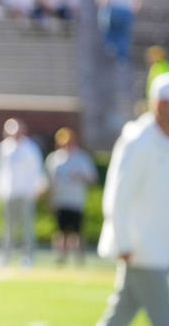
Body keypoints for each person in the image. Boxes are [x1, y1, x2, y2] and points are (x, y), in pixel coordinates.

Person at [96, 73, 169, 326]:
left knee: (120, 315)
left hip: (156, 246)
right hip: (141, 249)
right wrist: (124, 243)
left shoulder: (162, 140)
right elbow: (120, 195)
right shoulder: (139, 140)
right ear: (160, 105)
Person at [0, 118, 46, 266]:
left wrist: (36, 189)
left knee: (27, 227)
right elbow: (0, 170)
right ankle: (4, 256)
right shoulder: (3, 147)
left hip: (26, 192)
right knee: (7, 227)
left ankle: (28, 257)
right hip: (8, 192)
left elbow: (37, 170)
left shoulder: (30, 148)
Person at [45, 127, 97, 265]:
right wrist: (50, 199)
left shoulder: (82, 158)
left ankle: (79, 259)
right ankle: (60, 257)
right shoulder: (54, 159)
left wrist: (80, 176)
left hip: (76, 200)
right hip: (60, 199)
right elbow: (50, 182)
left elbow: (92, 179)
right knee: (60, 231)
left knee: (77, 231)